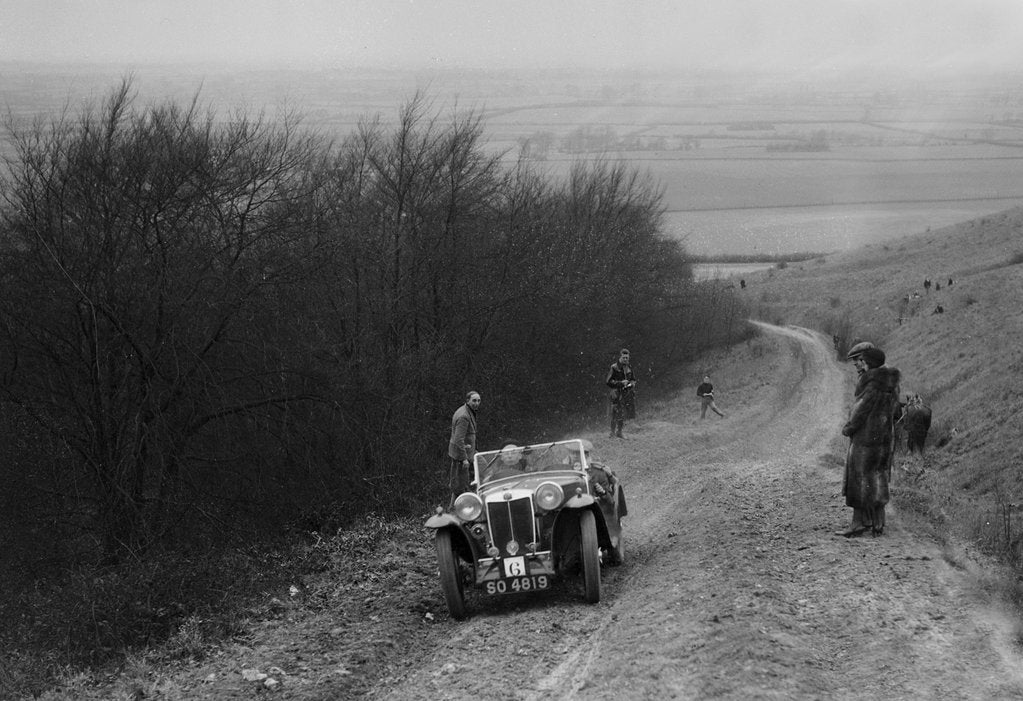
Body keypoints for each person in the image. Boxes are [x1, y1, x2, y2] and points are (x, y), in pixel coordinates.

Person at [837, 342, 901, 537]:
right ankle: (877, 522)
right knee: (878, 477)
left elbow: (861, 410)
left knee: (858, 477)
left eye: (858, 361)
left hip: (865, 439)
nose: (856, 365)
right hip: (883, 440)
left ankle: (858, 523)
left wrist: (849, 428)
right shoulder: (890, 383)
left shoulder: (871, 384)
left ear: (866, 361)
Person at [447, 391, 480, 506]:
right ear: (467, 401)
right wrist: (464, 458)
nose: (476, 403)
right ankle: (455, 510)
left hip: (469, 451)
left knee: (483, 467)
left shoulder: (467, 411)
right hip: (461, 455)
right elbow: (458, 439)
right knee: (459, 486)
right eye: (474, 400)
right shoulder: (464, 416)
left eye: (478, 401)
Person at [605, 349, 636, 438]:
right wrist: (620, 383)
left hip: (626, 393)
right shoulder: (614, 367)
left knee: (623, 413)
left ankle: (620, 432)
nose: (625, 359)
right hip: (615, 393)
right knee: (615, 412)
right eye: (624, 357)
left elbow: (633, 378)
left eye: (627, 357)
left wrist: (632, 383)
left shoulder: (629, 367)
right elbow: (608, 381)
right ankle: (612, 432)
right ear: (620, 357)